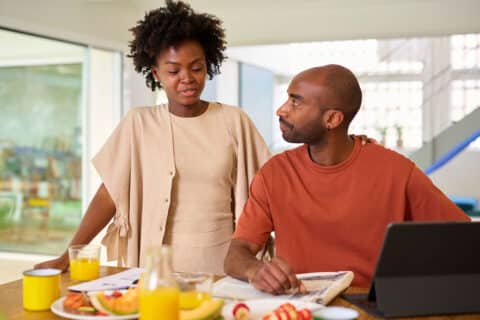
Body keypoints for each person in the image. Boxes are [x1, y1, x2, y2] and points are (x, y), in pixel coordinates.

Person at [35, 0, 271, 275]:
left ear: (208, 66)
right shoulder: (139, 123)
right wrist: (67, 256)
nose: (187, 78)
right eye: (173, 71)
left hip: (219, 270)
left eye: (196, 68)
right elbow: (109, 195)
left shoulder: (234, 121)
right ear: (157, 74)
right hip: (152, 273)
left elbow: (266, 193)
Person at [224, 64, 471, 292]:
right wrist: (254, 269)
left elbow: (463, 239)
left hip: (372, 307)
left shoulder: (397, 171)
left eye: (295, 102)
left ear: (332, 119)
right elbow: (237, 253)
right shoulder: (274, 173)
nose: (281, 110)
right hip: (299, 307)